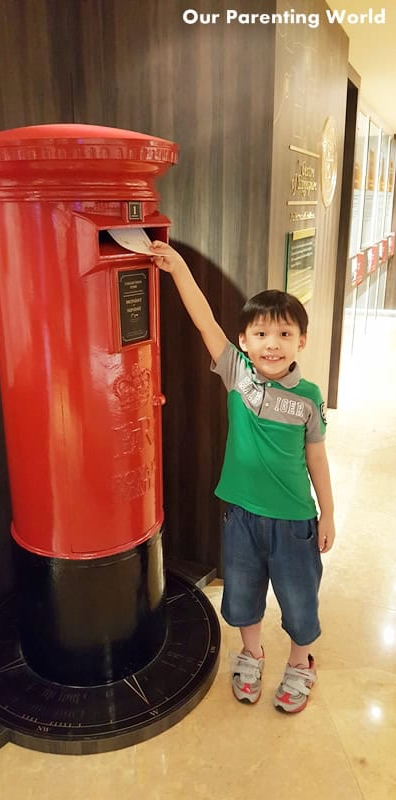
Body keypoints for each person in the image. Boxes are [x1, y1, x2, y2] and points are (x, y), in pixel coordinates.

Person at [149, 240, 335, 714]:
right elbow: (204, 320)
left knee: (299, 603)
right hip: (240, 517)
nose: (272, 344)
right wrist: (177, 267)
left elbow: (317, 459)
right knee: (243, 596)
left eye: (284, 334)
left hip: (294, 522)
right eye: (261, 334)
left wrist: (327, 514)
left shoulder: (310, 398)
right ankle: (252, 653)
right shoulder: (238, 374)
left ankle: (300, 663)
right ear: (245, 341)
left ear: (301, 341)